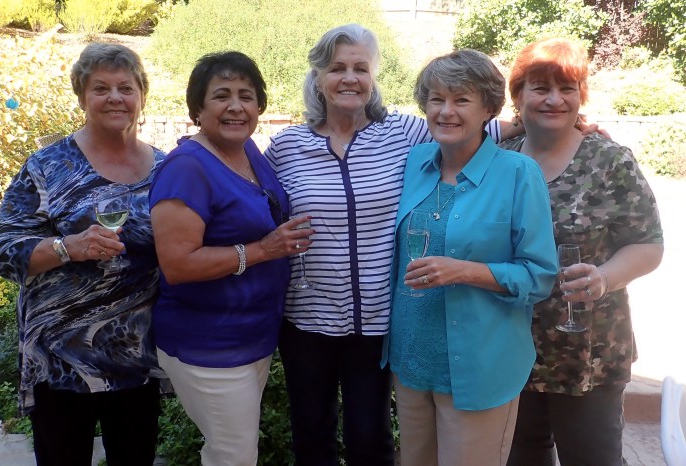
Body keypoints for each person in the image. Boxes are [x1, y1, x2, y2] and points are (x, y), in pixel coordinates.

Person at [263, 24, 512, 465]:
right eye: (337, 68)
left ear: (373, 76)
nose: (350, 78)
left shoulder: (403, 133)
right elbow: (249, 198)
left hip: (378, 320)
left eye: (361, 68)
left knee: (370, 437)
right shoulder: (287, 147)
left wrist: (557, 126)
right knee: (311, 435)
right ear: (318, 76)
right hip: (306, 319)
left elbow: (473, 127)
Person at [0, 43, 165, 466]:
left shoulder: (166, 168)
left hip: (136, 354)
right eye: (100, 88)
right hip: (59, 359)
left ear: (142, 95)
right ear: (82, 97)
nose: (115, 97)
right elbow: (3, 253)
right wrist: (67, 247)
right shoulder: (47, 166)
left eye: (126, 87)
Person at [382, 50, 558, 465]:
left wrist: (465, 271)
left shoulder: (518, 173)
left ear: (488, 109)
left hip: (479, 365)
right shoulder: (414, 163)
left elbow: (539, 276)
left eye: (461, 100)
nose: (446, 111)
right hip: (411, 361)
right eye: (436, 99)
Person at [501, 38, 664, 466]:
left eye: (567, 88)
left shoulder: (610, 162)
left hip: (587, 352)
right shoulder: (497, 159)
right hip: (509, 346)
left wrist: (604, 277)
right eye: (540, 87)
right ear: (518, 95)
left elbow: (648, 243)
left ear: (581, 95)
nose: (554, 99)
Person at [149, 51, 313, 466]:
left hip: (253, 334)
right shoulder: (187, 168)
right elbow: (177, 265)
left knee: (233, 450)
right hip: (210, 342)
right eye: (221, 95)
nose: (236, 106)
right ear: (198, 109)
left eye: (246, 95)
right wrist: (264, 251)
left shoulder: (248, 152)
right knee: (234, 456)